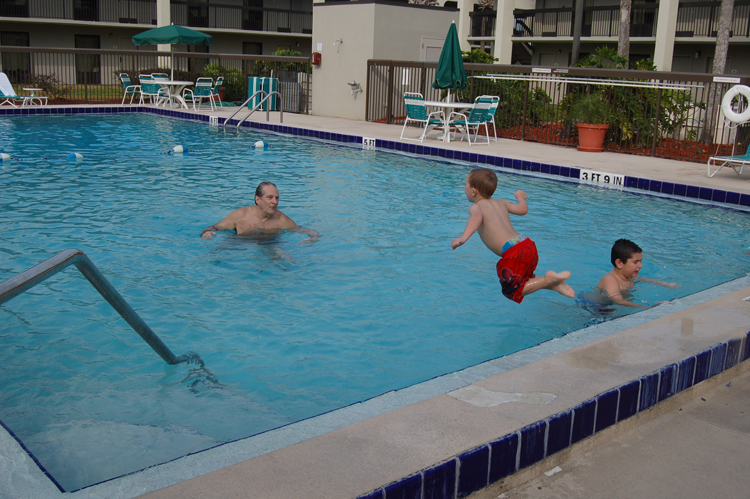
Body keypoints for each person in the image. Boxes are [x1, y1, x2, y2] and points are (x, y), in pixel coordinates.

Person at [451, 168, 574, 303]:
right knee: (523, 279)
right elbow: (523, 210)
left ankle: (547, 280)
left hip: (513, 251)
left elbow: (476, 218)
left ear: (473, 191)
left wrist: (463, 238)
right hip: (527, 244)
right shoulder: (502, 202)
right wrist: (521, 198)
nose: (464, 188)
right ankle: (554, 284)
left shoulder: (476, 207)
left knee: (511, 290)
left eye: (466, 185)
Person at [201, 181, 319, 242]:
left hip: (269, 245)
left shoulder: (282, 220)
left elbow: (309, 231)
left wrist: (312, 238)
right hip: (239, 244)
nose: (275, 202)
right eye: (270, 197)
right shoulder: (241, 215)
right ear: (258, 199)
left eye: (277, 198)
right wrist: (207, 233)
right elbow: (213, 227)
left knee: (283, 257)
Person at [596, 239, 678, 308]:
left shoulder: (628, 276)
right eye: (636, 262)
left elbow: (643, 279)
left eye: (640, 261)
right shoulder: (610, 279)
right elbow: (618, 300)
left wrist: (664, 284)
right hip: (599, 308)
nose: (641, 266)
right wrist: (645, 307)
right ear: (619, 263)